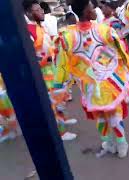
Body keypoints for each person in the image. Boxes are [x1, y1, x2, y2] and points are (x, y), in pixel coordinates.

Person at [54, 0, 129, 158]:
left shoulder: (68, 35)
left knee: (101, 116)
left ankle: (112, 143)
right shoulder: (103, 30)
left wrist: (59, 84)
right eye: (91, 7)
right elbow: (119, 50)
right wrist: (127, 66)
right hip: (108, 82)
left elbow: (62, 62)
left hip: (89, 84)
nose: (94, 9)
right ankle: (120, 143)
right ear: (85, 11)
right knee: (113, 114)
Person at [23, 0, 77, 141]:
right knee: (52, 102)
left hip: (53, 69)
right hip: (44, 73)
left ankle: (63, 120)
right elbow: (30, 56)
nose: (41, 11)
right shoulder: (28, 31)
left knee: (60, 98)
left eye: (41, 8)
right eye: (37, 9)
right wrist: (45, 60)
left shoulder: (40, 27)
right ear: (28, 13)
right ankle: (61, 133)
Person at [0, 74, 17, 143]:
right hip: (3, 97)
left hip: (4, 97)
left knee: (9, 115)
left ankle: (12, 130)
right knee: (5, 115)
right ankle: (10, 130)